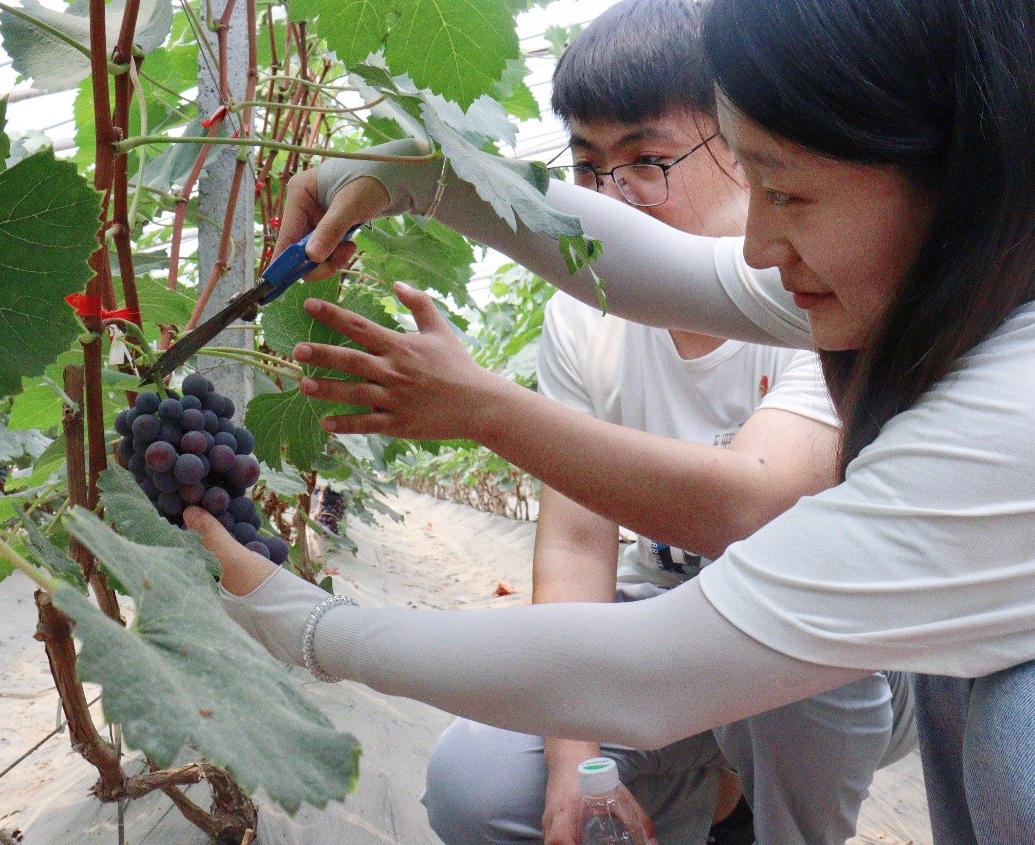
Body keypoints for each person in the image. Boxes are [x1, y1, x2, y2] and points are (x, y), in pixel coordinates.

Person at [188, 1, 1035, 842]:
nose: (756, 248)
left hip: (817, 668)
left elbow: (659, 660)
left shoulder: (1006, 412)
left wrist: (304, 623)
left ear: (956, 168)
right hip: (751, 638)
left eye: (783, 190)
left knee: (1017, 740)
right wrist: (412, 174)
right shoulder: (938, 265)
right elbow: (652, 272)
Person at [420, 4, 911, 845]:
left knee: (784, 614)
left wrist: (483, 408)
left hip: (844, 651)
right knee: (479, 786)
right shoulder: (582, 317)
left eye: (647, 162)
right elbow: (576, 545)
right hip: (667, 634)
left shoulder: (820, 296)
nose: (610, 198)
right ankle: (705, 799)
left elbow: (753, 505)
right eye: (587, 166)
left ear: (744, 144)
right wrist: (574, 760)